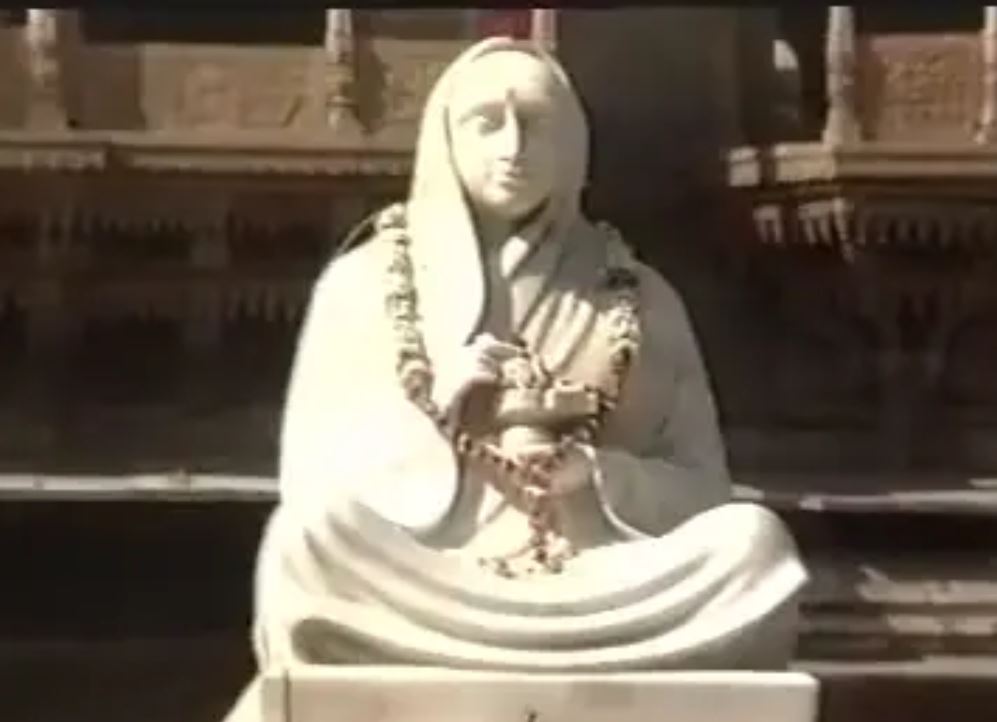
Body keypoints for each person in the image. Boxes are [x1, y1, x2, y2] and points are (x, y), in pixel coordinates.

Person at [224, 37, 808, 720]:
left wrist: (596, 477)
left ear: (573, 144)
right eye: (487, 122)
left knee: (753, 545)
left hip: (598, 579)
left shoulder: (641, 297)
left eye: (535, 124)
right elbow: (314, 477)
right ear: (446, 137)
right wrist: (437, 415)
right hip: (427, 572)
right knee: (306, 539)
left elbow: (702, 489)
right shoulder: (363, 284)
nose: (512, 146)